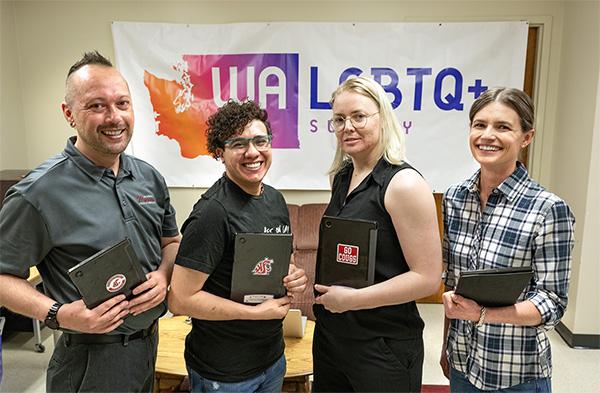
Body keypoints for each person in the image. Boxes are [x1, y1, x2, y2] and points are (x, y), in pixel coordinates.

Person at [0, 51, 180, 393]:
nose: (114, 117)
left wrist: (164, 274)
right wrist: (59, 314)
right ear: (69, 113)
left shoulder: (149, 178)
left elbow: (171, 243)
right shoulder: (38, 193)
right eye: (97, 106)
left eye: (122, 103)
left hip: (147, 345)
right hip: (89, 359)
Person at [312, 75, 443, 392]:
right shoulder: (342, 177)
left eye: (359, 116)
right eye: (339, 119)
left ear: (383, 118)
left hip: (382, 345)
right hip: (333, 338)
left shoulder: (404, 184)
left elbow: (427, 277)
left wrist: (355, 300)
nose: (348, 127)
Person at [440, 87, 575, 392]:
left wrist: (483, 315)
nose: (488, 135)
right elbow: (453, 282)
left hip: (515, 373)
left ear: (526, 137)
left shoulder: (548, 209)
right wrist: (445, 347)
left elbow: (552, 303)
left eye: (502, 127)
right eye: (480, 125)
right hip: (462, 361)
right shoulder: (455, 198)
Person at [168, 99, 308, 393]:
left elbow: (266, 264)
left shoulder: (274, 200)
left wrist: (292, 274)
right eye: (238, 144)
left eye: (260, 141)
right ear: (220, 152)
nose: (252, 152)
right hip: (225, 372)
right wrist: (255, 313)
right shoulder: (212, 213)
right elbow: (179, 299)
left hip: (271, 358)